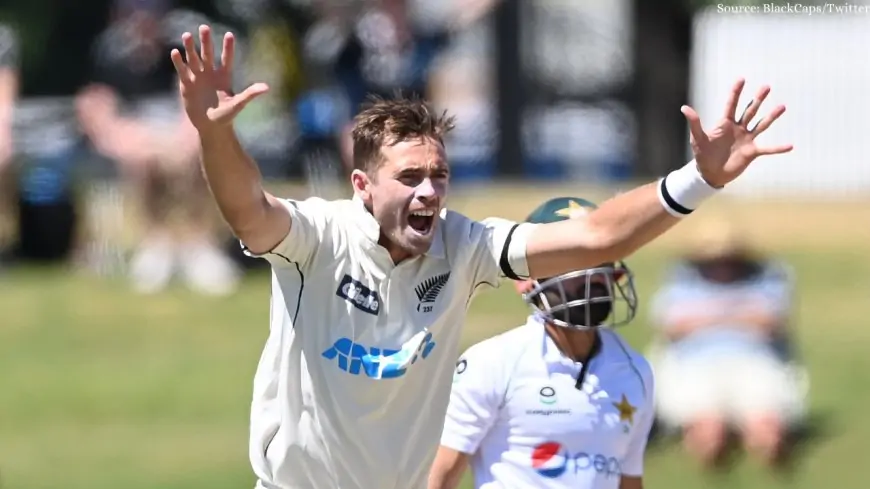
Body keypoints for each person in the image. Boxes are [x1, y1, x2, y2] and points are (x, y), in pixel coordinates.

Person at [170, 24, 792, 489]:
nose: (429, 192)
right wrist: (214, 133)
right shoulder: (316, 238)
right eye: (410, 176)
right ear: (362, 186)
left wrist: (700, 179)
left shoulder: (463, 245)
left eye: (438, 176)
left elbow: (600, 237)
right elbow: (247, 209)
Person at [428, 197, 653, 489]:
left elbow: (629, 481)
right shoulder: (493, 363)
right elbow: (437, 478)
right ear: (524, 278)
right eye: (574, 258)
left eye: (602, 257)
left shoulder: (635, 370)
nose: (593, 274)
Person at [648, 218, 805, 469]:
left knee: (766, 431)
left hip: (755, 361)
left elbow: (771, 321)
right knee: (709, 432)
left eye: (727, 258)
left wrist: (707, 316)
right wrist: (737, 314)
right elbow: (673, 325)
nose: (722, 266)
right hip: (695, 365)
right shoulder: (681, 280)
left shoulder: (767, 277)